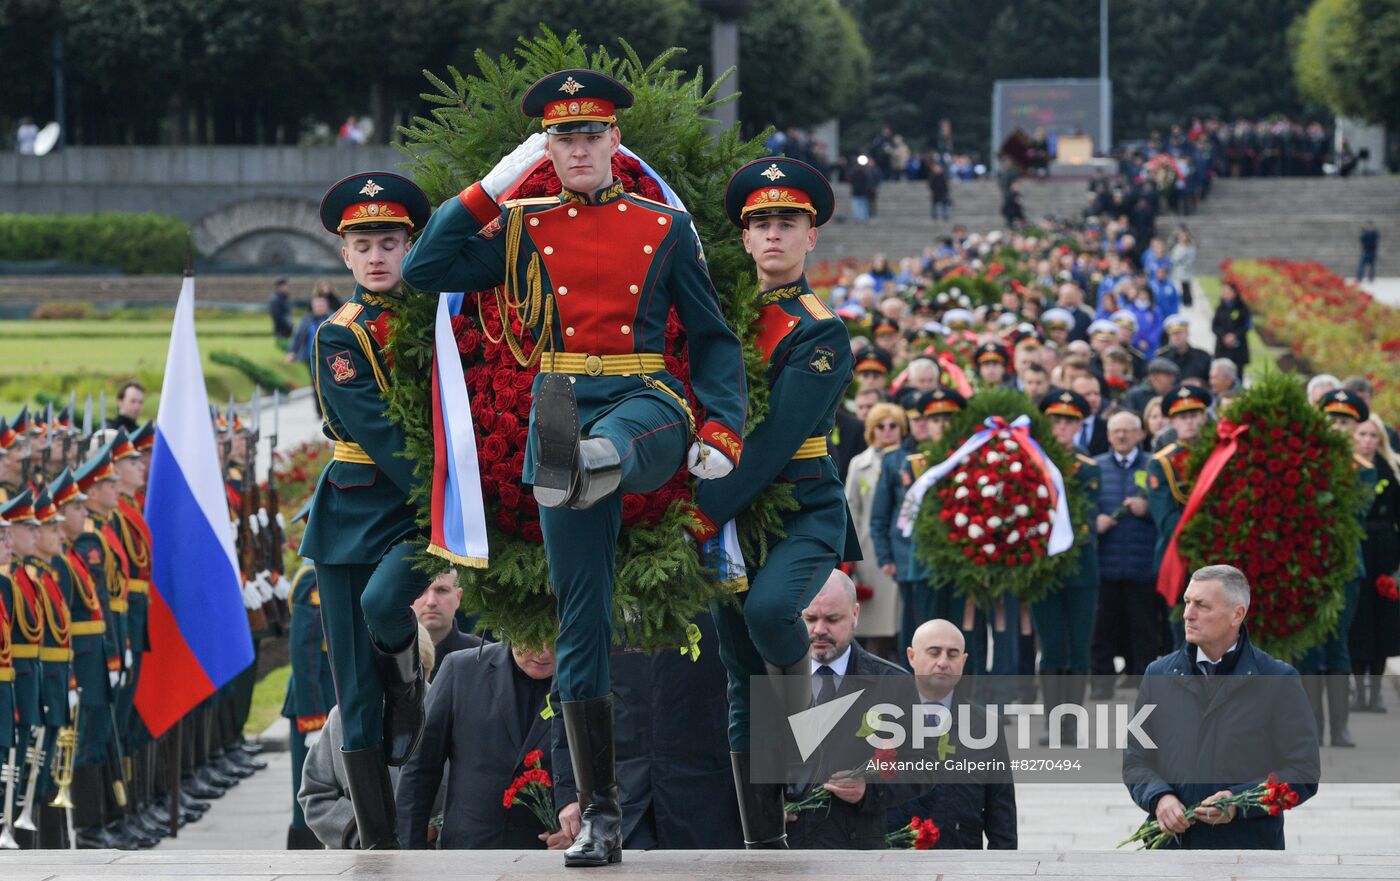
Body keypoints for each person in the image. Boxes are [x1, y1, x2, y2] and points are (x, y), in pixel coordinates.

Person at [402, 70, 748, 867]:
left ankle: (593, 460)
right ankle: (601, 814)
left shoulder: (663, 226)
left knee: (612, 444)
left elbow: (714, 336)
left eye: (592, 134)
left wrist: (722, 425)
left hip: (644, 393)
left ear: (615, 142)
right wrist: (490, 188)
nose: (579, 147)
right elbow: (427, 268)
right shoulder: (521, 226)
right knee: (579, 622)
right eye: (563, 137)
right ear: (546, 150)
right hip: (557, 403)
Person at [685, 156, 857, 851]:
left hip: (801, 509)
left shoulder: (819, 330)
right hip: (729, 512)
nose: (774, 235)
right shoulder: (720, 316)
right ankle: (765, 840)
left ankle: (808, 727)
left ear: (811, 235)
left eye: (787, 222)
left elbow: (779, 438)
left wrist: (699, 507)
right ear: (746, 240)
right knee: (740, 674)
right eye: (760, 224)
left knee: (767, 611)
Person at [299, 169, 434, 849]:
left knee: (388, 605)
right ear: (345, 255)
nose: (378, 255)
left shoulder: (439, 316)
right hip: (361, 507)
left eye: (390, 241)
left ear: (411, 245)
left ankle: (410, 688)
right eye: (364, 244)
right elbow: (378, 430)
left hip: (422, 507)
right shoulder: (339, 335)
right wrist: (445, 493)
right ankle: (379, 845)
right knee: (354, 693)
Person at [1123, 565, 1319, 849]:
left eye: (1201, 605)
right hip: (1174, 851)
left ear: (1237, 614)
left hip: (1249, 852)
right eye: (1187, 602)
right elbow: (1136, 759)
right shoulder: (1158, 674)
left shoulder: (1278, 680)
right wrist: (1159, 797)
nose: (1188, 614)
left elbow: (1303, 771)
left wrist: (1240, 802)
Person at [549, 615, 741, 851]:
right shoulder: (599, 598)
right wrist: (569, 793)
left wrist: (768, 789)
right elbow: (567, 700)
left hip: (709, 797)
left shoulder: (715, 591)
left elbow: (756, 676)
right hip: (619, 800)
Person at [785, 570, 921, 850]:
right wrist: (761, 806)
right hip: (786, 844)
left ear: (855, 614)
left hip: (855, 844)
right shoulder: (770, 679)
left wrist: (871, 789)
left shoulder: (892, 683)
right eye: (810, 619)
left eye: (833, 619)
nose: (820, 629)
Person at [396, 640, 557, 849]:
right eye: (533, 638)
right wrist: (409, 856)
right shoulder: (462, 670)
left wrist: (580, 831)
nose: (544, 652)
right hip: (469, 853)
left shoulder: (585, 678)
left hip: (550, 856)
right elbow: (419, 770)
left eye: (554, 639)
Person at [299, 626, 435, 849]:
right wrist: (362, 831)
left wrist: (435, 828)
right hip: (359, 857)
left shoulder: (443, 711)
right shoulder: (342, 719)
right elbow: (315, 795)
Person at [888, 619, 1017, 849]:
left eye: (953, 654)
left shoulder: (986, 727)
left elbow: (1001, 817)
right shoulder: (883, 720)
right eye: (934, 652)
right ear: (911, 656)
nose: (943, 662)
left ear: (964, 661)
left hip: (961, 863)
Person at [1297, 389, 1376, 748]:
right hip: (1308, 564)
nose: (1338, 427)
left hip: (1344, 566)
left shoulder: (1362, 470)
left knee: (1338, 645)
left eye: (1345, 422)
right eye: (1332, 420)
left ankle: (1340, 727)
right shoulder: (1305, 463)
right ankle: (1311, 725)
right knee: (1310, 647)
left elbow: (1352, 514)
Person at [870, 389, 965, 667]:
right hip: (907, 558)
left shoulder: (953, 454)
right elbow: (880, 514)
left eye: (930, 419)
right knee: (915, 629)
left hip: (949, 558)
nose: (923, 424)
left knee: (952, 627)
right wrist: (885, 556)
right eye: (917, 419)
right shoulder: (895, 459)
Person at [1031, 389, 1100, 741]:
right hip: (1043, 570)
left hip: (1080, 569)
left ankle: (1070, 722)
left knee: (1077, 647)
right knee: (1052, 646)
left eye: (1069, 422)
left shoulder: (1087, 468)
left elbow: (1083, 519)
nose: (1061, 427)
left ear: (1079, 427)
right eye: (1055, 420)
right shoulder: (1032, 463)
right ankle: (1052, 721)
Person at [1089, 411, 1159, 697]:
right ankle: (1101, 685)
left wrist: (1147, 510)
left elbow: (1169, 510)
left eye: (1128, 431)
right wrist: (1094, 523)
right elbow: (1085, 507)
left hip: (1142, 564)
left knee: (1144, 629)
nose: (1121, 436)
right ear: (1108, 436)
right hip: (1105, 564)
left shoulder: (1154, 466)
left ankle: (1145, 685)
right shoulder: (1096, 467)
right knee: (1102, 629)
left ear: (1141, 434)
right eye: (1116, 431)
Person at [282, 561, 337, 849]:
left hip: (332, 688)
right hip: (317, 697)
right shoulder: (312, 575)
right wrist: (312, 718)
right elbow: (304, 651)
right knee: (312, 792)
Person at [845, 403, 906, 656]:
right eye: (881, 426)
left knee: (904, 620)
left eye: (893, 425)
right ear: (871, 430)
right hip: (869, 552)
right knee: (874, 626)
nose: (887, 431)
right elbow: (850, 508)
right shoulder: (859, 464)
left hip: (902, 548)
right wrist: (851, 556)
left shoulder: (910, 461)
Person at [1147, 385, 1212, 623]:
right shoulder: (1162, 463)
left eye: (1194, 416)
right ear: (1172, 422)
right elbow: (1166, 519)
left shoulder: (1219, 454)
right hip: (1180, 555)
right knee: (1185, 630)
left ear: (1204, 417)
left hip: (1217, 553)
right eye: (1182, 417)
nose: (1189, 423)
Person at [1349, 414, 1400, 712]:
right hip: (1357, 546)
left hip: (1384, 549)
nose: (1367, 441)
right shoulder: (1348, 469)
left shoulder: (1390, 470)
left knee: (1383, 620)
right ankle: (1357, 688)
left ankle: (1376, 691)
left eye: (1372, 436)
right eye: (1362, 435)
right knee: (1358, 620)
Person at [411, 570, 481, 676]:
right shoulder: (391, 654)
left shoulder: (482, 656)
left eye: (442, 590)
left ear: (458, 597)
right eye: (421, 591)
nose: (431, 602)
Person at [1154, 315, 1211, 384]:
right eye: (1174, 333)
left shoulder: (1203, 357)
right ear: (1169, 336)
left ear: (1188, 333)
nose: (1177, 336)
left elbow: (1210, 383)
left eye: (1180, 333)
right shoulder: (1162, 358)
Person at [1211, 281, 1251, 372]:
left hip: (1238, 347)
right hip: (1222, 346)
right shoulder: (1220, 307)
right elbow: (1214, 325)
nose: (1225, 294)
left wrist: (1234, 336)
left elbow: (1246, 325)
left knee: (1238, 372)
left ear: (1234, 292)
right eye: (1224, 292)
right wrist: (1224, 336)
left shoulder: (1242, 307)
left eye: (1228, 292)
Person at [1170, 226, 1197, 307]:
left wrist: (1185, 263)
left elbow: (1192, 258)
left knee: (1187, 288)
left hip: (1187, 271)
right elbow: (1174, 259)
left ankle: (1188, 302)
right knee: (1178, 287)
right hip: (1178, 271)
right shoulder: (1176, 247)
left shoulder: (1190, 248)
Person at [269, 277, 293, 342]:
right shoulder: (276, 299)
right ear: (279, 287)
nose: (286, 288)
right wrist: (288, 323)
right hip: (280, 332)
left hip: (286, 332)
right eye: (284, 286)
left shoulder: (284, 298)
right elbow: (277, 316)